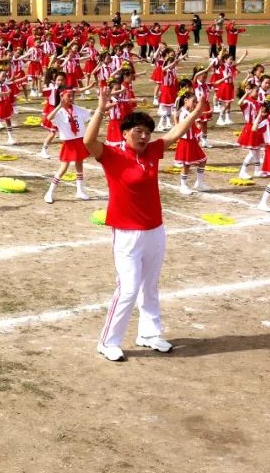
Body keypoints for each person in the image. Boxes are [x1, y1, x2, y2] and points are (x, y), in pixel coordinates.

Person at [83, 85, 203, 362]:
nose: (144, 135)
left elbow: (174, 134)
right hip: (127, 234)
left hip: (155, 231)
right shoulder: (113, 155)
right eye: (138, 130)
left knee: (150, 285)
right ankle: (108, 341)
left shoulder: (151, 151)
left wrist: (195, 112)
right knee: (128, 288)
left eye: (147, 131)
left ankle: (149, 333)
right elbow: (89, 143)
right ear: (125, 133)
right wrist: (101, 108)